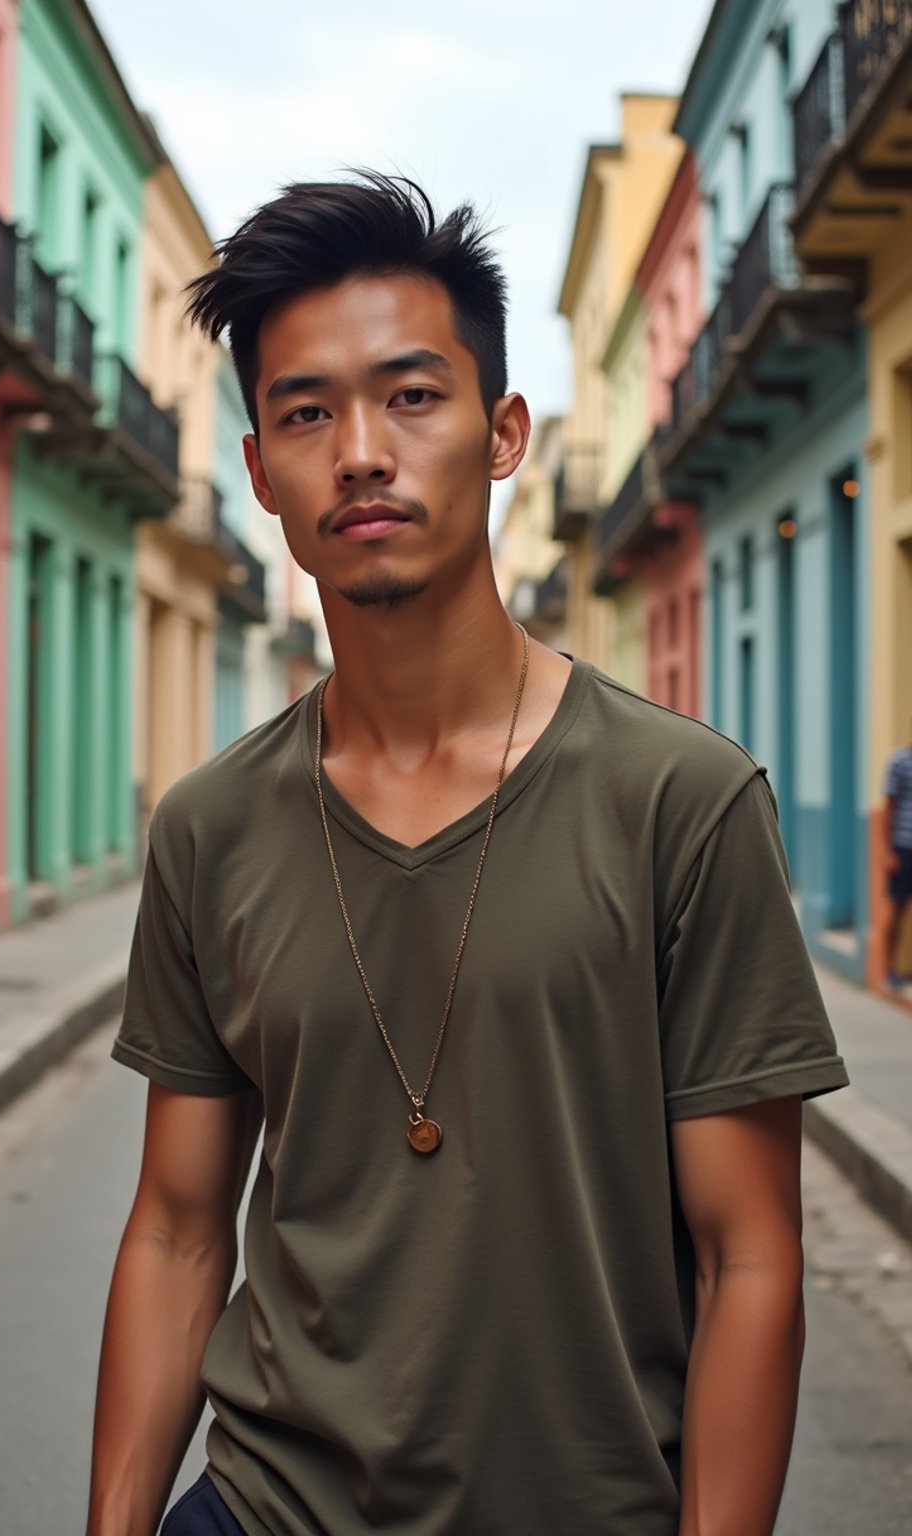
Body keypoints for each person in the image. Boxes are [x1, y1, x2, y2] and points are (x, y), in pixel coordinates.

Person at [85, 172, 848, 1536]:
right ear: (259, 469)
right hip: (266, 1507)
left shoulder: (683, 800)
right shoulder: (209, 826)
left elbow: (750, 1257)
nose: (360, 451)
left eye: (412, 396)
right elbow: (178, 1228)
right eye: (305, 411)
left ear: (503, 433)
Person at [883, 726, 912, 989]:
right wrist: (889, 851)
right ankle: (889, 970)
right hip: (903, 847)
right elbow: (889, 806)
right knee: (897, 909)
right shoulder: (899, 762)